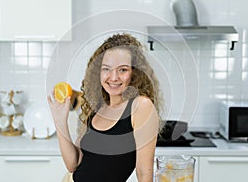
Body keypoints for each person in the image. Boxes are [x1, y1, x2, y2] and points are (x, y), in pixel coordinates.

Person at [48, 33, 163, 182]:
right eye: (106, 69)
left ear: (135, 73)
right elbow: (74, 164)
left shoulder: (141, 106)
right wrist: (60, 121)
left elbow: (144, 174)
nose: (113, 77)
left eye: (122, 70)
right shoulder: (95, 106)